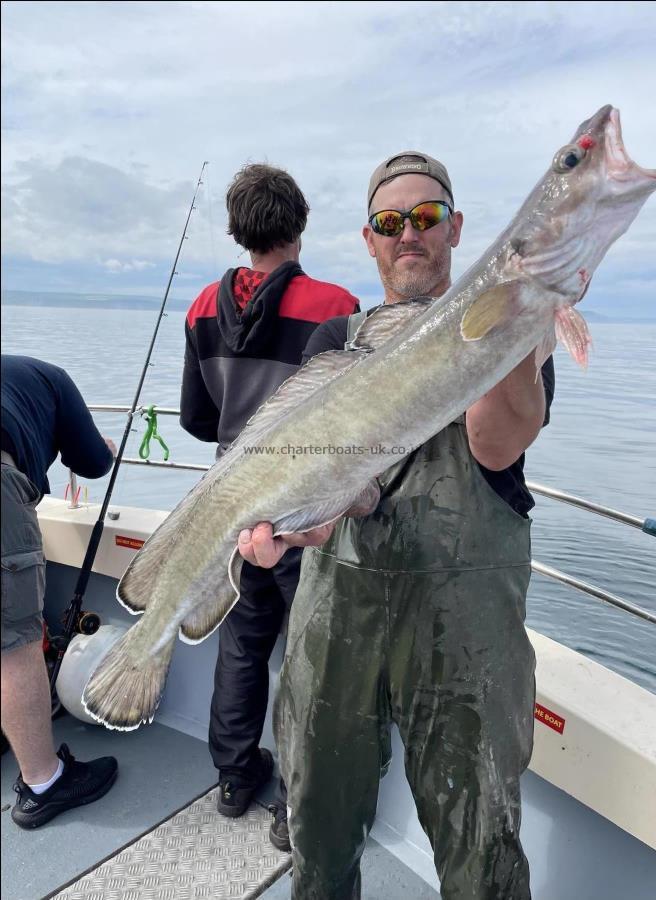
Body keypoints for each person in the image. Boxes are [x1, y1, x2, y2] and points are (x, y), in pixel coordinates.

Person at [237, 151, 555, 898]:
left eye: (425, 217)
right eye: (389, 222)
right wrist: (299, 522)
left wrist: (508, 326)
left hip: (466, 625)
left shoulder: (511, 326)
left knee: (480, 842)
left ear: (454, 230)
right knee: (315, 818)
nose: (407, 233)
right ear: (368, 239)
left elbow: (496, 445)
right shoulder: (332, 342)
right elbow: (327, 481)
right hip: (335, 612)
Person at [179, 163, 359, 852]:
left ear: (238, 228)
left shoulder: (200, 307)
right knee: (306, 657)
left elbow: (198, 419)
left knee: (242, 643)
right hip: (302, 512)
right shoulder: (335, 303)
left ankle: (231, 779)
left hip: (229, 508)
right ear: (299, 221)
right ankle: (292, 803)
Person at [1, 354, 119, 830]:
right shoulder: (48, 376)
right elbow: (92, 462)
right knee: (14, 645)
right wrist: (107, 447)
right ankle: (44, 783)